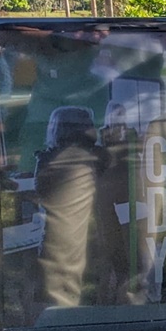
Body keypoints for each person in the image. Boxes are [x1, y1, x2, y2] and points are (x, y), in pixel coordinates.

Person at [34, 105, 106, 308]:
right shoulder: (92, 158)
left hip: (52, 238)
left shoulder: (47, 159)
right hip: (79, 238)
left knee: (55, 294)